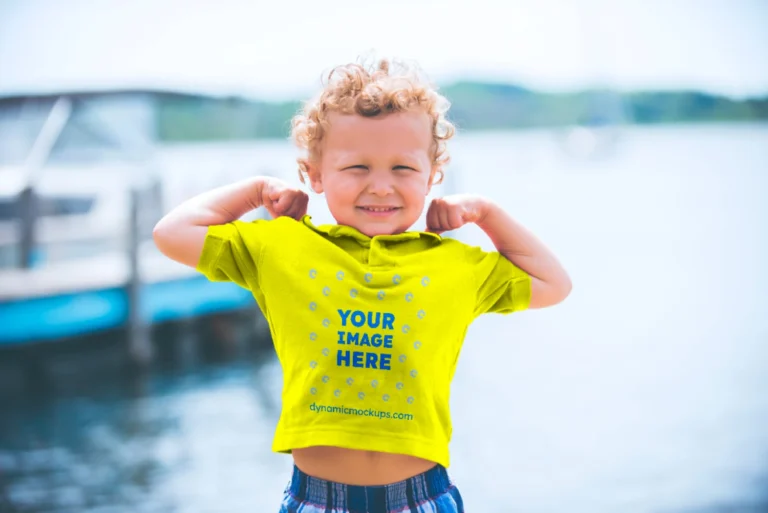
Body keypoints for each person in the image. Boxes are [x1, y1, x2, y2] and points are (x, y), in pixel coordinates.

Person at [153, 57, 572, 513]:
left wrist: (487, 214)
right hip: (316, 499)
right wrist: (254, 192)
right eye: (356, 168)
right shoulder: (281, 248)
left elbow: (553, 284)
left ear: (432, 175)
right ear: (314, 174)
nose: (380, 186)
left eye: (402, 169)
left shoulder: (455, 264)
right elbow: (171, 234)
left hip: (421, 497)